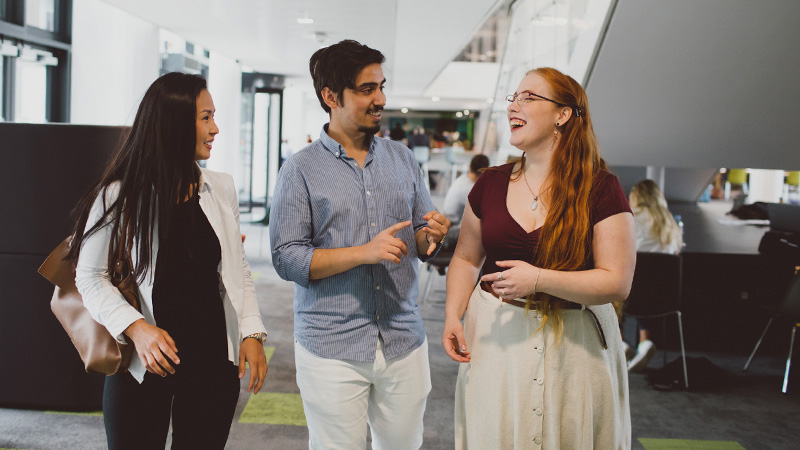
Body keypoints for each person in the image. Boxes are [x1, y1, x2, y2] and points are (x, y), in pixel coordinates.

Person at [70, 72, 268, 450]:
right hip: (144, 360)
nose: (215, 129)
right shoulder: (119, 195)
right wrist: (137, 328)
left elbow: (237, 269)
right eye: (206, 118)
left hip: (212, 359)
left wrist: (251, 332)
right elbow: (90, 276)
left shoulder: (221, 187)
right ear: (175, 123)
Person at [270, 39, 450, 450]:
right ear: (331, 97)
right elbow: (286, 258)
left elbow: (421, 237)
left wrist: (432, 236)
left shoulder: (403, 159)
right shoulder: (300, 169)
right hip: (332, 343)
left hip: (403, 336)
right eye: (367, 89)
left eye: (381, 87)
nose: (380, 99)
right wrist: (363, 253)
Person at [441, 67, 635, 448]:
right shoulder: (490, 183)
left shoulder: (601, 187)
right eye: (513, 97)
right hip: (498, 340)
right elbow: (465, 258)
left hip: (575, 347)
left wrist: (539, 279)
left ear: (563, 114)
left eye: (528, 97)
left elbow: (617, 281)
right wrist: (452, 314)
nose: (513, 106)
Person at [626, 179, 683, 372]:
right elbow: (675, 252)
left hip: (630, 295)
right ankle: (644, 343)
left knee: (613, 285)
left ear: (636, 196)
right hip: (664, 298)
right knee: (645, 283)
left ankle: (620, 342)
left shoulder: (628, 217)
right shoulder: (669, 221)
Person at [442, 154, 490, 225]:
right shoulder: (470, 188)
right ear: (485, 171)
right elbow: (483, 212)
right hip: (451, 226)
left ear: (469, 166)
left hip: (446, 220)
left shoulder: (463, 178)